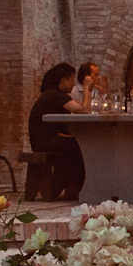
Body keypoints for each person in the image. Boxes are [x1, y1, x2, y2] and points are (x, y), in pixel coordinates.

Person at [26, 64, 82, 201]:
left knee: (79, 145)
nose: (73, 83)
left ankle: (71, 188)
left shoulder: (50, 95)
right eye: (71, 79)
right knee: (82, 146)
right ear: (62, 80)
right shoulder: (55, 95)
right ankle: (69, 187)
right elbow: (82, 109)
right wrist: (86, 89)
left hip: (42, 142)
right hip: (47, 143)